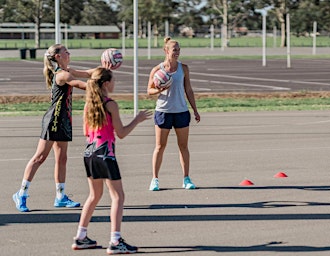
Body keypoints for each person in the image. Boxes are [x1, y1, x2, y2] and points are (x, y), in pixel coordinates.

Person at [72, 67, 152, 253]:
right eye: (113, 80)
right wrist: (137, 120)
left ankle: (81, 236)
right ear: (106, 83)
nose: (115, 83)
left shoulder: (89, 104)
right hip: (105, 153)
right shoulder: (110, 104)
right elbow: (121, 133)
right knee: (118, 196)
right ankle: (116, 241)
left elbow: (86, 132)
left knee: (94, 196)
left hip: (90, 152)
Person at [12, 44, 96, 212]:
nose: (69, 53)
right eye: (65, 51)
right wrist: (101, 83)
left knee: (62, 158)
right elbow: (83, 84)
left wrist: (104, 69)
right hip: (53, 120)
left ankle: (60, 196)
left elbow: (87, 74)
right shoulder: (62, 75)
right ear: (58, 56)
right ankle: (21, 194)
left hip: (64, 120)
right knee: (39, 158)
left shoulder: (68, 70)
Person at [147, 37, 200, 191]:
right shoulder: (157, 70)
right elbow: (149, 90)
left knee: (183, 146)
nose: (177, 52)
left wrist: (195, 110)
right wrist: (159, 90)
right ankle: (155, 179)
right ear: (166, 51)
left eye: (178, 49)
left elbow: (188, 89)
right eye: (174, 49)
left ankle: (186, 179)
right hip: (163, 111)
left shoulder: (184, 68)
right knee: (160, 146)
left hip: (181, 111)